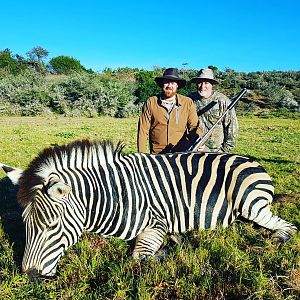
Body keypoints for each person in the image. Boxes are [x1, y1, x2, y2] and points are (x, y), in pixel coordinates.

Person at [138, 68, 203, 154]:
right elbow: (143, 131)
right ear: (162, 84)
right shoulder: (151, 102)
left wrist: (198, 140)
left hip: (180, 154)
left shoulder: (187, 103)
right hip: (157, 154)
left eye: (173, 83)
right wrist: (141, 155)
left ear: (177, 86)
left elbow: (194, 127)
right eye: (166, 82)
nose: (169, 86)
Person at [189, 68, 238, 152]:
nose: (202, 86)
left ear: (212, 84)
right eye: (199, 82)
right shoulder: (189, 99)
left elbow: (232, 128)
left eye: (206, 83)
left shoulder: (223, 101)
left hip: (215, 152)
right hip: (193, 148)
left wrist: (223, 151)